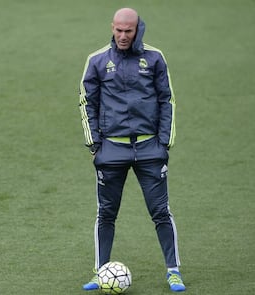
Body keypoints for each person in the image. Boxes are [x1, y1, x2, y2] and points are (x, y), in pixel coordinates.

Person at [78, 8, 186, 292]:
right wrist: (95, 145)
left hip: (150, 149)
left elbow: (168, 100)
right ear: (112, 28)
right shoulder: (98, 60)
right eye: (118, 30)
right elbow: (87, 102)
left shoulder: (154, 58)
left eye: (129, 30)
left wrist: (164, 144)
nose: (123, 36)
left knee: (161, 211)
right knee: (106, 214)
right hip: (111, 150)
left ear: (138, 29)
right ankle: (101, 271)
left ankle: (173, 270)